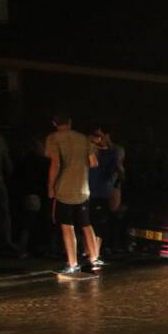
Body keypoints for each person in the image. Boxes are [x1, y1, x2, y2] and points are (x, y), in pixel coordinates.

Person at [46, 112, 101, 274]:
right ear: (70, 121)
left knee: (67, 226)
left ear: (54, 123)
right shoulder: (83, 139)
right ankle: (94, 258)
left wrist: (51, 186)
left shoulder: (53, 138)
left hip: (64, 189)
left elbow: (55, 164)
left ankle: (72, 263)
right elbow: (94, 162)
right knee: (86, 224)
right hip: (83, 188)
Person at [88, 127, 122, 254]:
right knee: (88, 223)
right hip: (88, 192)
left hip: (103, 193)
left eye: (100, 136)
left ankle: (95, 252)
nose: (98, 139)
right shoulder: (89, 152)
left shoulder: (112, 153)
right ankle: (88, 250)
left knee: (100, 223)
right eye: (95, 136)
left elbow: (116, 171)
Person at [0, 118, 21, 254]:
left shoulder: (0, 141)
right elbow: (7, 162)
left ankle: (6, 240)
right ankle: (6, 240)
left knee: (3, 212)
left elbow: (6, 162)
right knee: (3, 212)